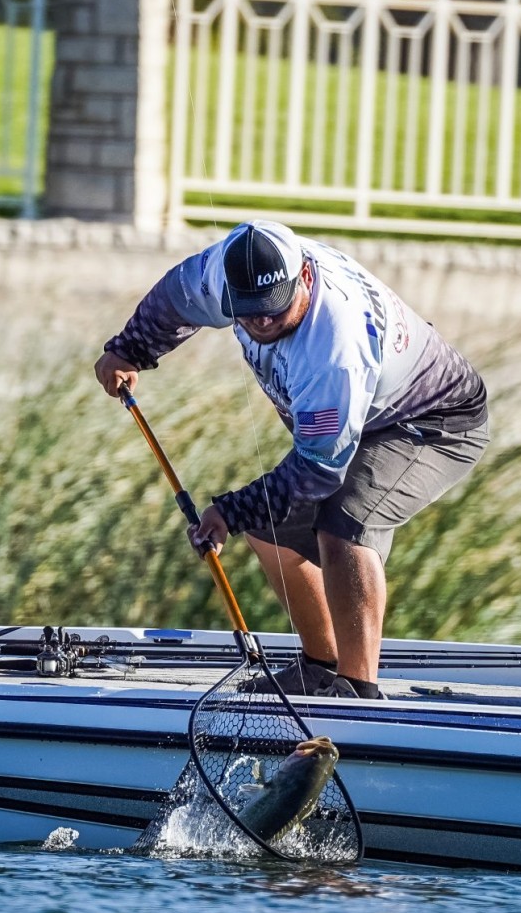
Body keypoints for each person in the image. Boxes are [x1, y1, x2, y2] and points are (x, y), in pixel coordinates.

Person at [93, 221, 490, 698]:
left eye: (273, 308)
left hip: (432, 422)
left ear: (304, 277)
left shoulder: (335, 346)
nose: (261, 322)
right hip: (356, 418)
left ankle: (358, 692)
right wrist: (129, 350)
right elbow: (172, 301)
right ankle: (319, 667)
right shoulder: (221, 271)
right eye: (249, 312)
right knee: (269, 525)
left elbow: (318, 474)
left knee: (346, 520)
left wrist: (230, 512)